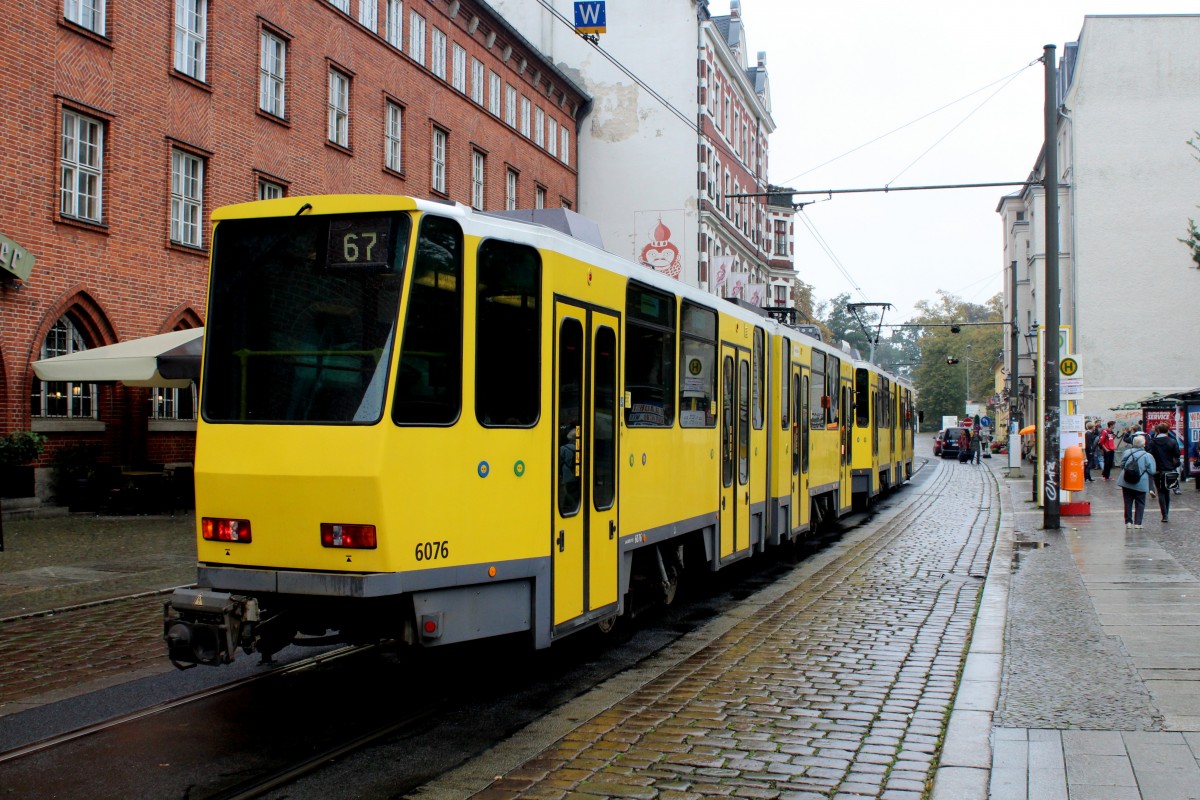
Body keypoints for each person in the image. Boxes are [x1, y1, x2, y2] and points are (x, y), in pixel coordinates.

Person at [1116, 434, 1156, 529]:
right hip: (1141, 482)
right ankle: (1138, 523)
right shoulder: (1147, 456)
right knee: (1140, 502)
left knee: (1128, 502)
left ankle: (1128, 522)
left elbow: (1121, 465)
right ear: (1143, 444)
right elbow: (1152, 470)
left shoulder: (1127, 452)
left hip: (1126, 480)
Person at [1146, 422, 1181, 522]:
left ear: (1158, 431)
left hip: (1157, 470)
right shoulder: (1172, 441)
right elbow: (1177, 455)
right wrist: (1174, 465)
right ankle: (1167, 513)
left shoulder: (1153, 442)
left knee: (1160, 492)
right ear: (1167, 430)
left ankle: (1164, 514)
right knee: (1167, 491)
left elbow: (1148, 454)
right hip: (1169, 470)